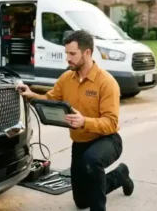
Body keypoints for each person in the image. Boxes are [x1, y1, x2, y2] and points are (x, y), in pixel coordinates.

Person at [17, 30, 134, 211]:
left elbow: (111, 122)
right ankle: (120, 175)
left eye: (72, 54)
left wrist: (84, 121)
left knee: (92, 161)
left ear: (87, 53)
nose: (68, 58)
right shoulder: (66, 78)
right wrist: (30, 94)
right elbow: (51, 99)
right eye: (67, 53)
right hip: (80, 143)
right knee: (81, 201)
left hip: (107, 140)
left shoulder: (106, 82)